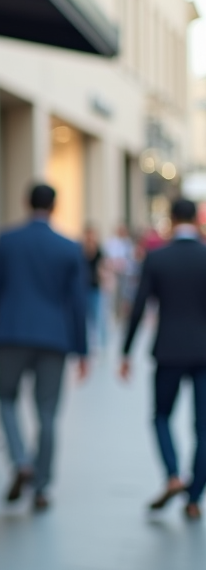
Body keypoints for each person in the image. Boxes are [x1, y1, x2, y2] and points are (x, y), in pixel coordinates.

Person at [0, 184, 87, 511]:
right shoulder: (68, 247)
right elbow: (77, 303)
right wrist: (83, 350)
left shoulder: (6, 241)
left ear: (26, 203)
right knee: (47, 412)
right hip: (54, 338)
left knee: (5, 397)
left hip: (11, 333)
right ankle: (42, 487)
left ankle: (21, 461)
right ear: (55, 206)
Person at [120, 199, 206, 521]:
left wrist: (125, 352)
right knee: (204, 429)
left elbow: (139, 306)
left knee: (161, 416)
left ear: (171, 220)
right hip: (203, 353)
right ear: (196, 220)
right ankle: (195, 496)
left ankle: (172, 475)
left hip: (168, 350)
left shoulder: (157, 258)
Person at [83, 225, 107, 352]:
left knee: (98, 315)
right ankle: (90, 341)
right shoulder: (81, 250)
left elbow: (103, 266)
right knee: (87, 316)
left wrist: (105, 280)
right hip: (84, 286)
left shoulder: (99, 250)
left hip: (95, 286)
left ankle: (101, 342)